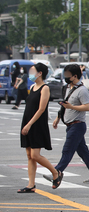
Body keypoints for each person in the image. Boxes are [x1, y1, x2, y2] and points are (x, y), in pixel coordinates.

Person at [44, 64, 89, 183]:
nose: (65, 77)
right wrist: (58, 117)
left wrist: (72, 106)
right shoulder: (68, 88)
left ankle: (57, 172)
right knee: (83, 151)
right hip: (70, 125)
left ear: (75, 76)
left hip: (78, 125)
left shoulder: (82, 90)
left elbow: (88, 107)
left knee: (67, 150)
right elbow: (65, 104)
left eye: (67, 76)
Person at [18, 63, 61, 193]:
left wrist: (30, 124)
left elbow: (41, 109)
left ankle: (55, 173)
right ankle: (31, 184)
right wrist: (26, 123)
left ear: (40, 73)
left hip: (36, 124)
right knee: (29, 155)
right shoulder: (32, 87)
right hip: (27, 121)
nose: (30, 73)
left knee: (35, 155)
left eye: (32, 71)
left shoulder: (45, 88)